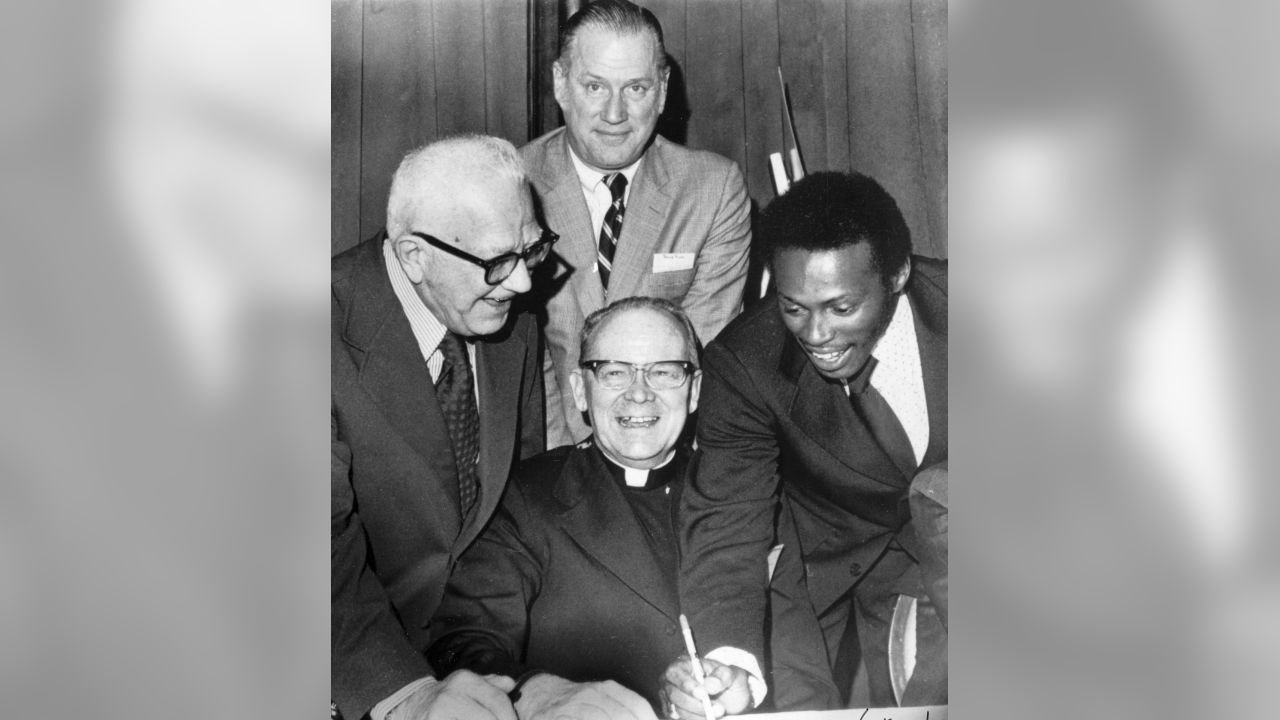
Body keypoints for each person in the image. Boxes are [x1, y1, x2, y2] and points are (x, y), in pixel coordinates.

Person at [669, 172, 948, 716]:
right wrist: (731, 658)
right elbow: (727, 517)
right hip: (829, 563)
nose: (815, 334)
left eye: (841, 308)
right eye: (795, 307)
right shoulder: (744, 363)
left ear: (898, 274)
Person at [331, 135, 547, 720]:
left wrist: (535, 681)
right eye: (499, 261)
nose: (524, 284)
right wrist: (407, 693)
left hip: (479, 652)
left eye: (531, 250)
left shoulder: (507, 318)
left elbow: (519, 511)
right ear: (414, 256)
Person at [424, 297, 698, 720]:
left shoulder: (741, 488)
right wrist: (537, 691)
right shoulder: (525, 495)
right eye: (614, 372)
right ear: (578, 391)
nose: (639, 394)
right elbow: (463, 639)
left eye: (663, 372)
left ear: (694, 390)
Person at [523, 0, 752, 448]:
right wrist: (567, 461)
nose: (614, 114)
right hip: (545, 454)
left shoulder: (713, 188)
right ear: (560, 83)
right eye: (594, 86)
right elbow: (520, 362)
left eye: (636, 89)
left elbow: (699, 356)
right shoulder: (515, 184)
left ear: (663, 90)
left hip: (670, 446)